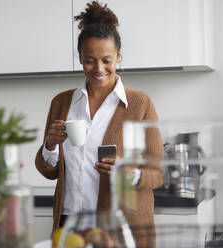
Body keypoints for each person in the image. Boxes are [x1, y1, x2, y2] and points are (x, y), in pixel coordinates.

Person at [35, 1, 163, 245]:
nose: (98, 68)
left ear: (118, 57)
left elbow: (157, 175)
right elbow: (48, 171)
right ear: (80, 58)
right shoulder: (62, 102)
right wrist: (50, 144)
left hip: (119, 225)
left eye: (107, 60)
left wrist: (128, 174)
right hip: (70, 224)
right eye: (89, 60)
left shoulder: (140, 104)